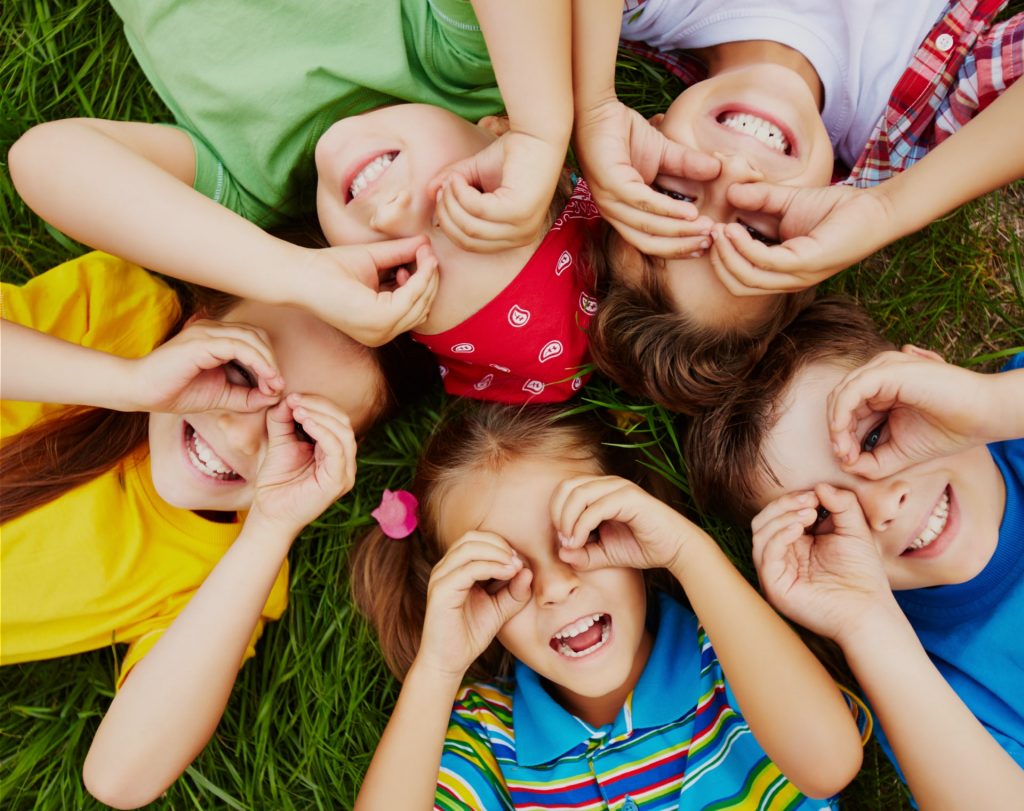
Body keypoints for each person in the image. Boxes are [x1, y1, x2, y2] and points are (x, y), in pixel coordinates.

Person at [7, 0, 615, 403]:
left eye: (398, 269)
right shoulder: (457, 61)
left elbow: (47, 159)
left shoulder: (250, 189)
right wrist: (542, 127)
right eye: (469, 200)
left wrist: (292, 273)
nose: (393, 212)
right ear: (496, 133)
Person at [0, 251, 397, 809]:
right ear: (198, 325)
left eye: (301, 432)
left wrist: (271, 528)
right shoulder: (117, 317)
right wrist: (132, 382)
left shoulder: (228, 572)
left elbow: (120, 777)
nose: (241, 434)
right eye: (240, 372)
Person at [348, 403, 864, 809]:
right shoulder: (490, 738)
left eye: (584, 534)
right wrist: (437, 667)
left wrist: (687, 552)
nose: (555, 587)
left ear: (635, 520)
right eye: (500, 574)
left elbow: (831, 765)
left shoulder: (735, 657)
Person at [573, 0, 1024, 414]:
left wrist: (593, 103)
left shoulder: (647, 11)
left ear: (645, 138)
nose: (733, 174)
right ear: (817, 228)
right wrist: (887, 208)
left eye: (673, 198)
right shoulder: (916, 128)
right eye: (754, 233)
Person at [682, 297, 1024, 808]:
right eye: (824, 514)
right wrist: (867, 625)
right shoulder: (923, 681)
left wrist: (988, 406)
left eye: (876, 437)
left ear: (929, 377)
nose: (883, 505)